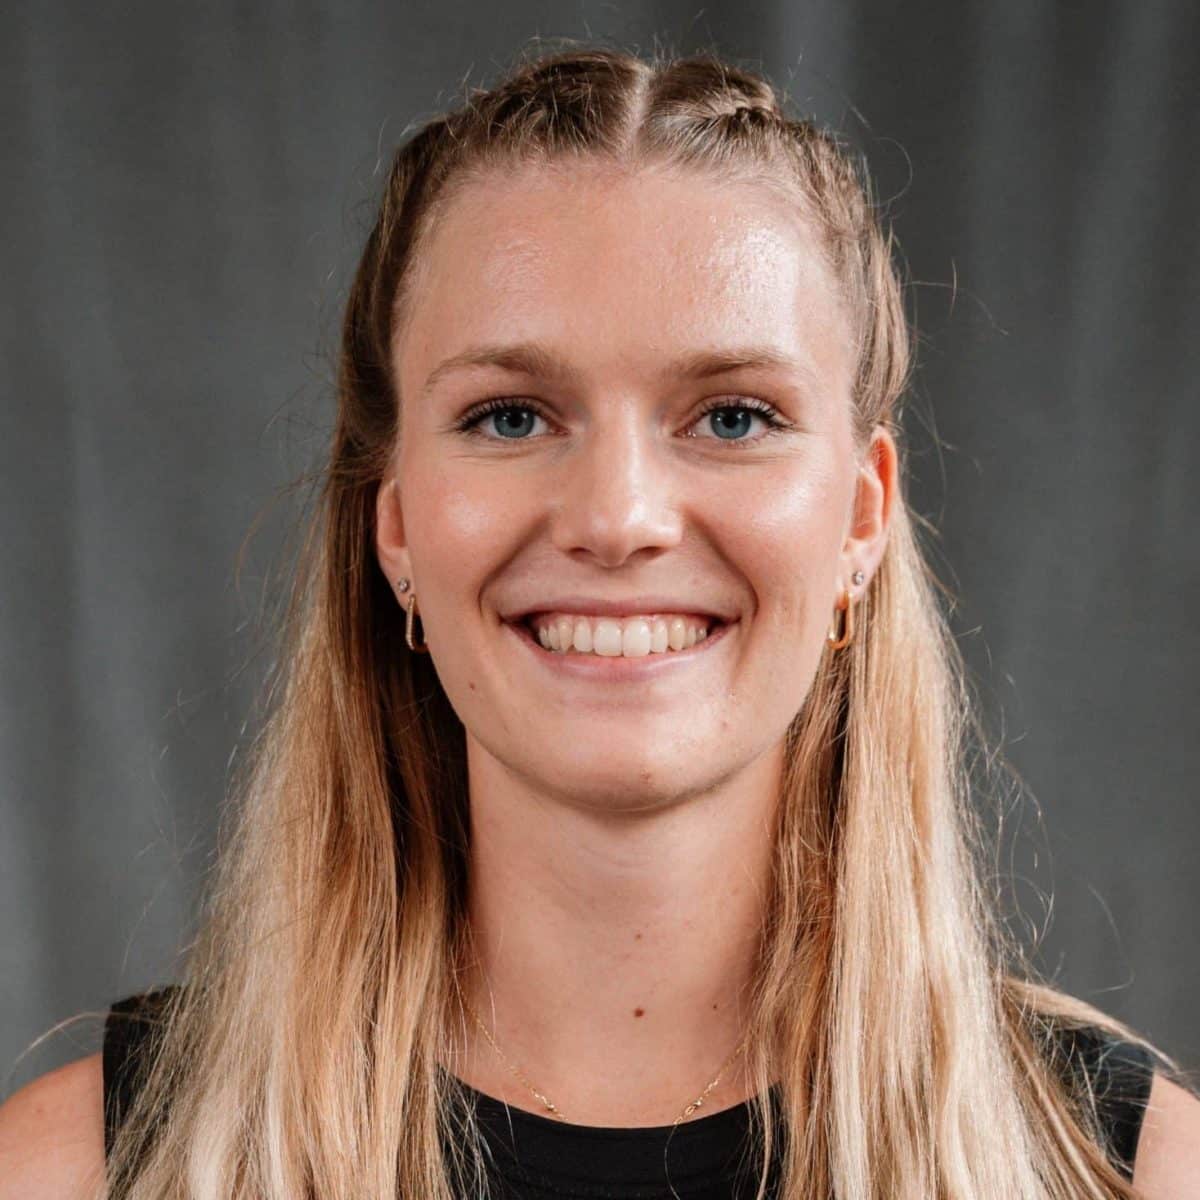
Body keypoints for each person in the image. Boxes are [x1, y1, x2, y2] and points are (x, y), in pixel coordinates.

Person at [1, 44, 1197, 1200]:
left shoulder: (1132, 1174)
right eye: (511, 417)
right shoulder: (75, 1171)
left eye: (733, 417)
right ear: (396, 520)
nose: (617, 519)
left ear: (860, 516)